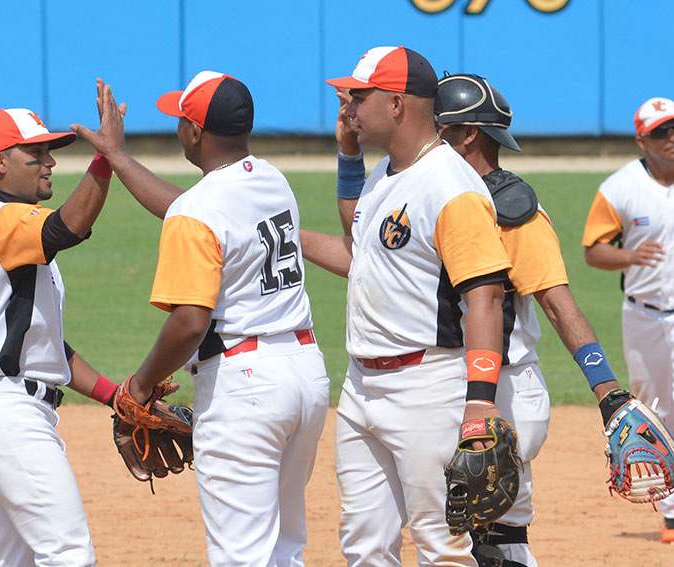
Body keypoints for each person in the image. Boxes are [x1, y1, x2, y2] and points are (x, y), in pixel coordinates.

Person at [72, 72, 330, 567]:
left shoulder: (200, 210)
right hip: (305, 376)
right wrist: (120, 159)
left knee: (240, 556)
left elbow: (190, 322)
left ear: (194, 133)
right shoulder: (272, 180)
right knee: (284, 549)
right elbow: (192, 211)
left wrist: (139, 387)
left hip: (246, 389)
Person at [300, 46, 513, 567]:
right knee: (365, 544)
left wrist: (481, 402)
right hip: (362, 386)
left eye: (358, 95)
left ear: (397, 104)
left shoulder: (448, 186)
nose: (346, 106)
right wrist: (290, 228)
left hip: (427, 387)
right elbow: (361, 247)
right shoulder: (389, 173)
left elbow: (484, 294)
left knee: (443, 549)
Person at [0, 84, 126, 566]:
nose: (48, 160)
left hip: (2, 418)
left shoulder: (17, 237)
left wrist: (115, 394)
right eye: (34, 151)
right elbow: (66, 228)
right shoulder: (3, 219)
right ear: (0, 161)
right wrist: (106, 160)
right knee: (70, 555)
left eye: (49, 150)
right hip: (10, 419)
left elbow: (48, 347)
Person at [582, 96, 674, 543]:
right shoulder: (620, 187)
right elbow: (593, 250)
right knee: (654, 407)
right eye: (661, 132)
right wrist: (630, 255)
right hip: (645, 316)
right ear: (642, 139)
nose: (671, 138)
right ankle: (672, 512)